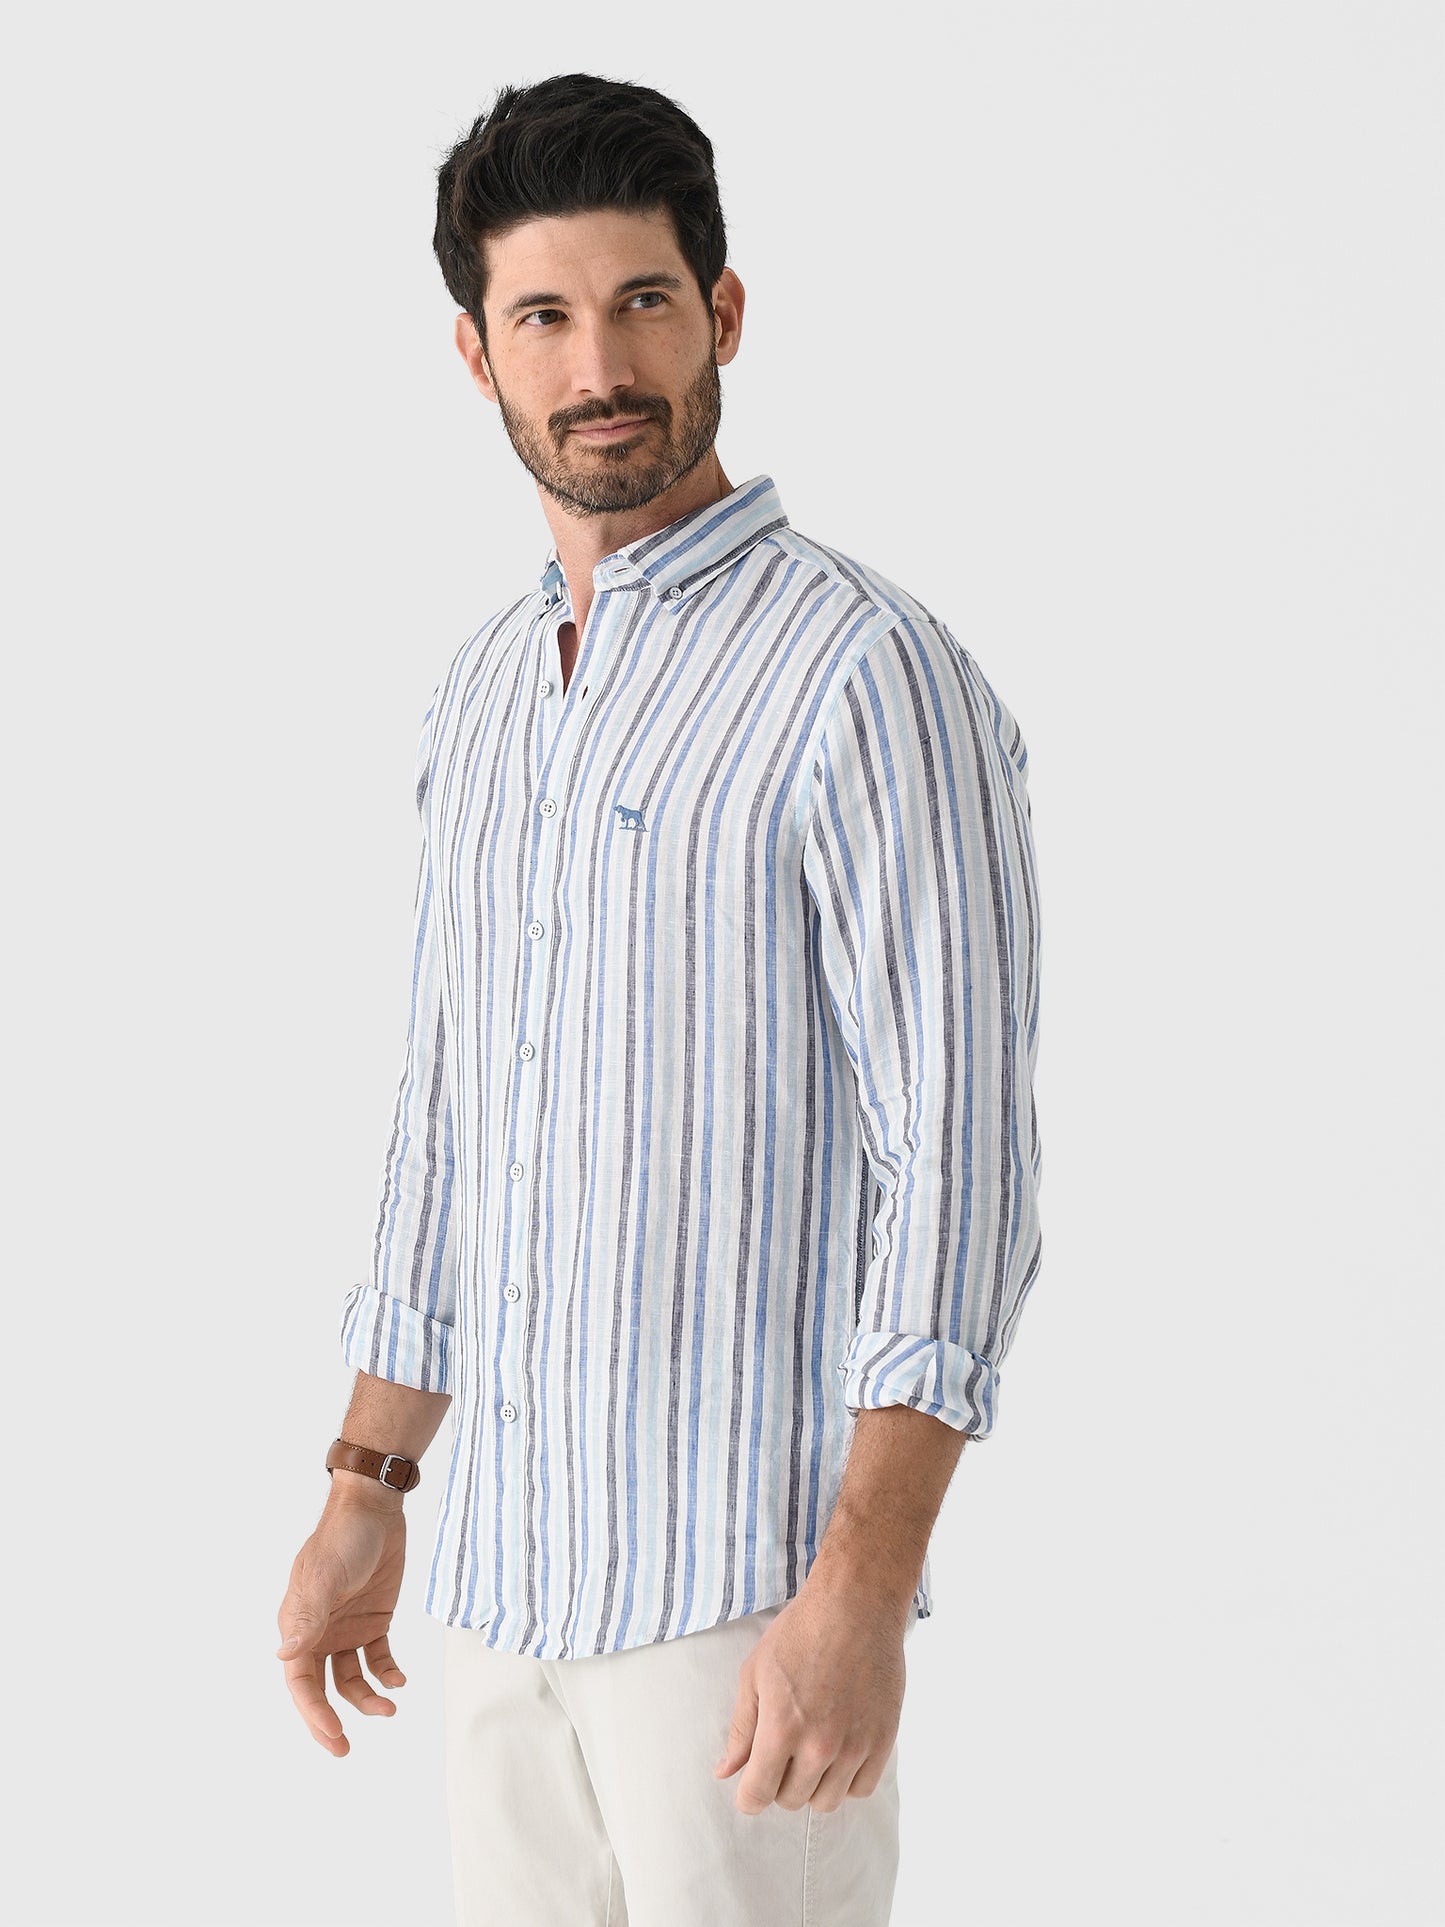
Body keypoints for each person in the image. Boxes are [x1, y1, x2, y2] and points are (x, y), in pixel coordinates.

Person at [276, 70, 1045, 1927]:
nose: (600, 365)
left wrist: (861, 1590)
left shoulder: (864, 673)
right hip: (502, 1588)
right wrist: (370, 1479)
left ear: (725, 312)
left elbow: (959, 1164)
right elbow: (448, 1117)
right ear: (477, 354)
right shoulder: (483, 694)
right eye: (545, 316)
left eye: (642, 301)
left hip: (740, 1603)